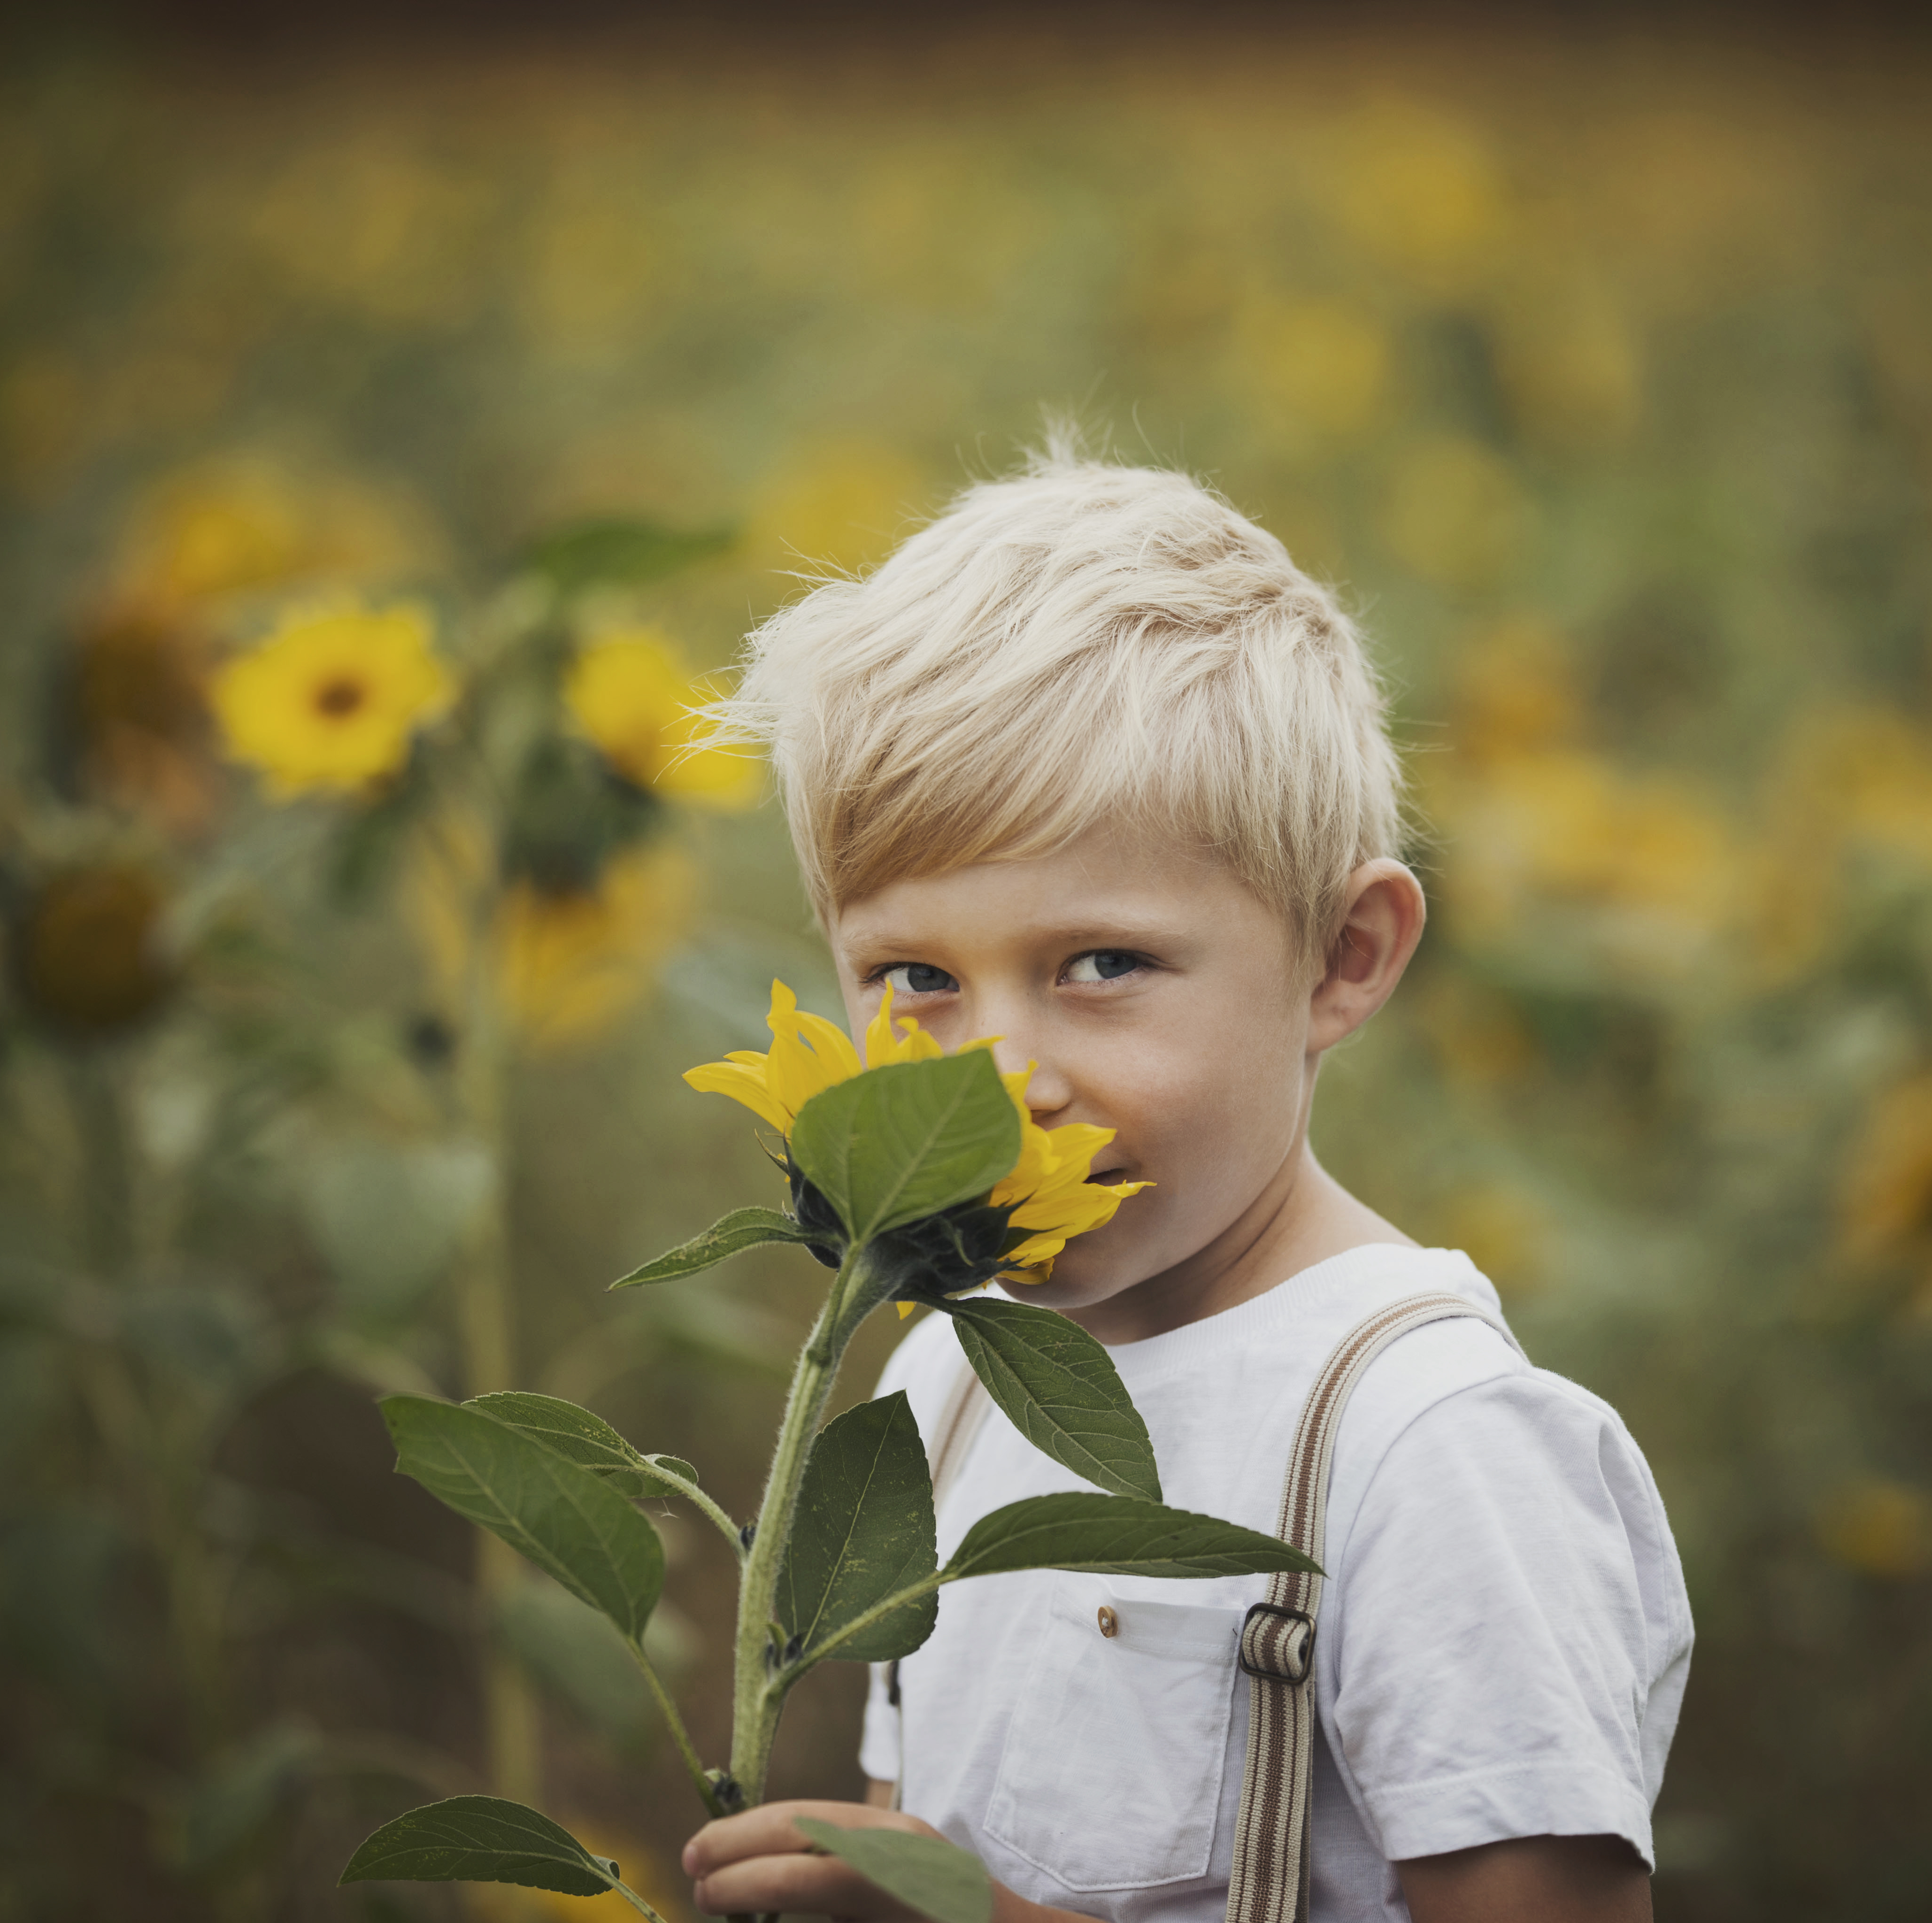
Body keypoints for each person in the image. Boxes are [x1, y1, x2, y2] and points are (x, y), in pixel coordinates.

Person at [679, 438, 1692, 1923]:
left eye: (1103, 965)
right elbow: (916, 1827)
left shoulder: (1427, 1450)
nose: (995, 1080)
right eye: (915, 976)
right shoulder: (945, 1383)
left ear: (1343, 959)